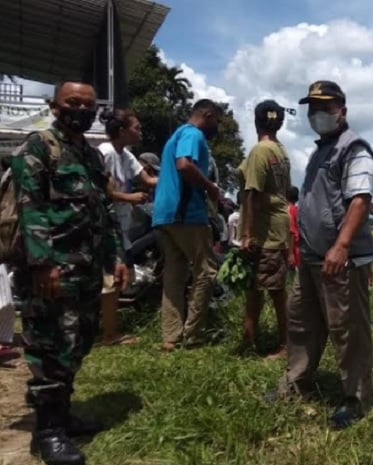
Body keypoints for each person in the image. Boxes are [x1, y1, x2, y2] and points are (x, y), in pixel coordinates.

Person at [9, 81, 128, 465]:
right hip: (51, 270)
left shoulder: (92, 157)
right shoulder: (39, 147)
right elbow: (31, 207)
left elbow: (105, 211)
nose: (81, 109)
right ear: (55, 106)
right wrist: (43, 263)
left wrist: (118, 257)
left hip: (86, 270)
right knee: (50, 347)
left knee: (77, 342)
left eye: (88, 104)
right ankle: (49, 431)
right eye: (72, 102)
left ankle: (63, 413)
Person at [275, 80, 373, 430]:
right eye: (312, 108)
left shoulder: (354, 148)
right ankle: (295, 383)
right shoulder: (321, 150)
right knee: (302, 322)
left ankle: (356, 397)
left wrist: (341, 245)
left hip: (340, 259)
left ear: (342, 111)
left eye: (325, 108)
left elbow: (360, 200)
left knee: (347, 330)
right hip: (312, 257)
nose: (317, 115)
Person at [151, 99, 222, 351]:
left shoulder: (176, 135)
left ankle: (171, 336)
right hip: (187, 213)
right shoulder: (193, 134)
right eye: (217, 121)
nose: (217, 128)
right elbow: (184, 164)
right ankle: (193, 334)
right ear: (208, 114)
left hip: (163, 214)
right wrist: (210, 186)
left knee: (174, 273)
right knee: (207, 270)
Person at [237, 99, 293, 356]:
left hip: (265, 229)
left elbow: (252, 193)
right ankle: (250, 340)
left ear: (256, 121)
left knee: (273, 290)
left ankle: (284, 344)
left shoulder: (260, 151)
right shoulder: (280, 151)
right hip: (278, 226)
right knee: (260, 288)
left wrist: (246, 234)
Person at [97, 109, 157, 346]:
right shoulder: (106, 153)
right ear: (122, 130)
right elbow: (103, 191)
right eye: (136, 128)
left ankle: (106, 328)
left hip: (121, 223)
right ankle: (109, 334)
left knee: (117, 276)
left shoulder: (126, 155)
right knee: (111, 277)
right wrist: (129, 198)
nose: (139, 132)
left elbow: (149, 180)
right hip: (104, 222)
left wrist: (178, 177)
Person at [288, 185, 300, 281]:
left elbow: (291, 231)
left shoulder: (288, 210)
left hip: (291, 248)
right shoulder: (297, 210)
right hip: (297, 247)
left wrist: (290, 253)